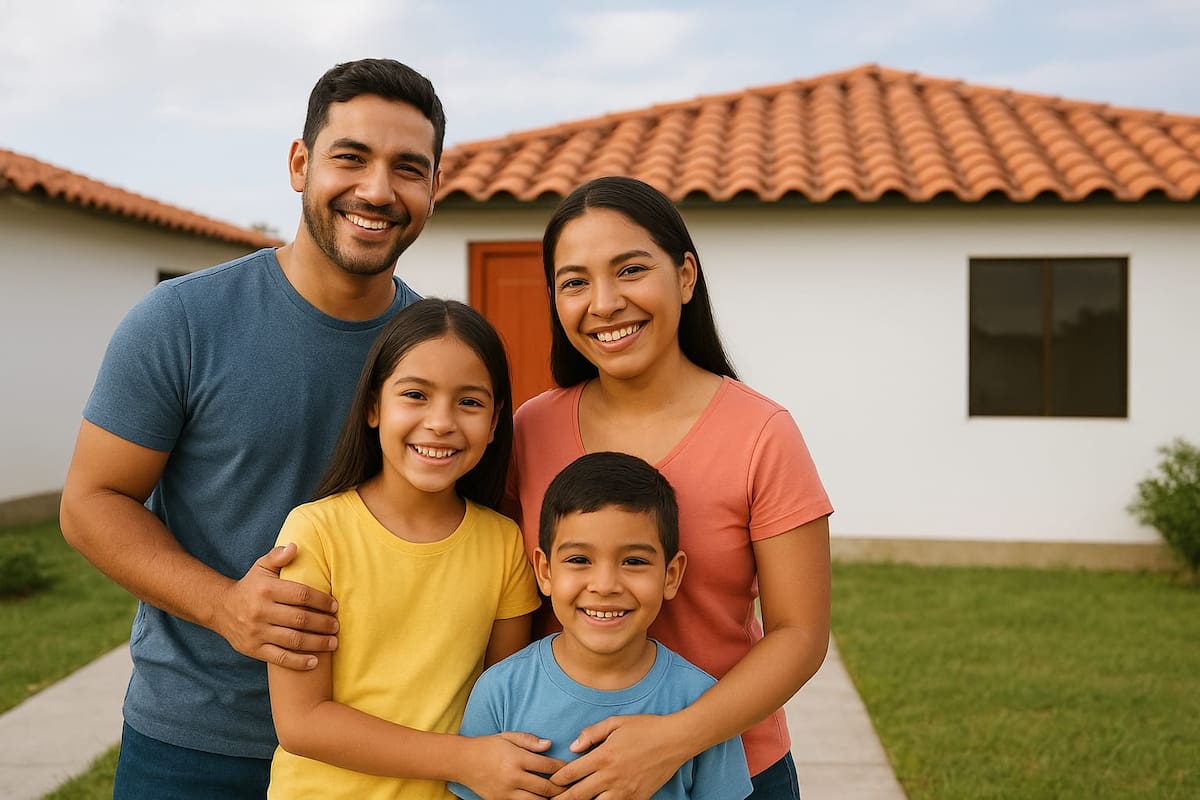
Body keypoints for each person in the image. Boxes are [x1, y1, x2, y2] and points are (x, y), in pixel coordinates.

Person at [59, 58, 449, 798]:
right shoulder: (180, 323)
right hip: (197, 746)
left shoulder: (440, 354)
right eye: (351, 157)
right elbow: (90, 503)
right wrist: (224, 605)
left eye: (407, 167)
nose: (377, 190)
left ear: (435, 186)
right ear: (300, 164)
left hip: (380, 745)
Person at [507, 176, 834, 800]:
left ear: (685, 276)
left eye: (629, 269)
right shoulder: (529, 429)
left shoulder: (763, 434)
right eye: (574, 281)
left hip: (733, 770)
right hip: (561, 771)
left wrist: (673, 739)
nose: (603, 303)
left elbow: (800, 634)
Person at [267, 298, 559, 799]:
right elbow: (302, 722)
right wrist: (465, 759)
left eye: (469, 402)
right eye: (416, 395)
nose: (441, 422)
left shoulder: (504, 544)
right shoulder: (315, 532)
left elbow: (500, 702)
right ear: (374, 407)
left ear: (494, 424)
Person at [452, 451, 753, 800]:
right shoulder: (500, 692)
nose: (605, 584)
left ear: (671, 575)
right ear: (545, 572)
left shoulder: (700, 703)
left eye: (634, 561)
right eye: (579, 560)